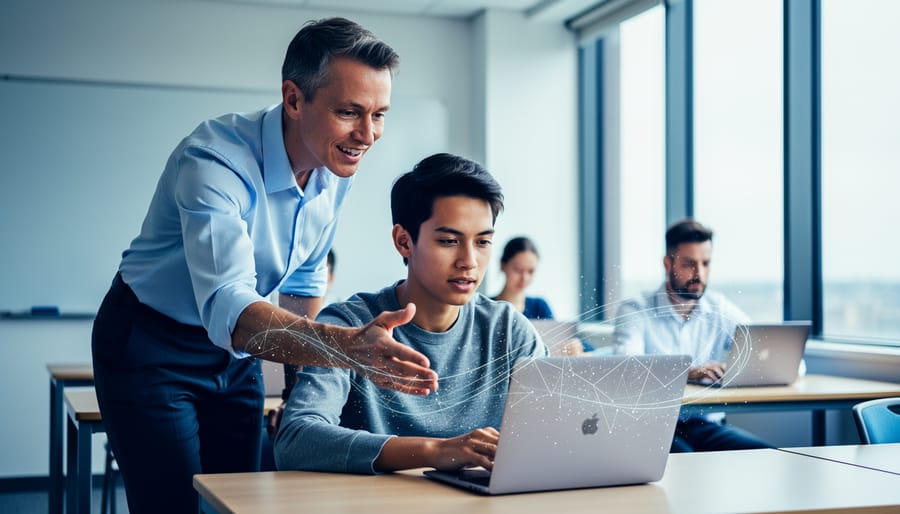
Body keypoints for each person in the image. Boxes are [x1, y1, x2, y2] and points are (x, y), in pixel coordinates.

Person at [91, 18, 438, 514]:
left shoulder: (334, 165)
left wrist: (300, 386)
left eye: (379, 115)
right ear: (294, 99)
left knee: (244, 501)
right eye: (349, 112)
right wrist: (347, 350)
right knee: (173, 505)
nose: (367, 134)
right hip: (152, 345)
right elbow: (230, 307)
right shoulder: (213, 162)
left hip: (237, 356)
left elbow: (302, 280)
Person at [274, 153, 548, 473]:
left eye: (483, 242)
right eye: (449, 241)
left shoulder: (509, 330)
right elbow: (294, 440)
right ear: (404, 242)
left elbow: (557, 432)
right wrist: (433, 451)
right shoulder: (350, 326)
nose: (469, 261)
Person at [613, 218, 773, 452]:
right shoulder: (636, 309)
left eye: (705, 263)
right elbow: (626, 370)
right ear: (668, 264)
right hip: (654, 427)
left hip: (707, 427)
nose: (699, 273)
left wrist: (734, 368)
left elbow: (771, 352)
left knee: (765, 455)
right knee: (686, 460)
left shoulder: (718, 307)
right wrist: (688, 373)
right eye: (689, 264)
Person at [494, 236, 587, 355]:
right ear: (503, 265)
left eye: (530, 271)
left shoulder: (539, 306)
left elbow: (557, 341)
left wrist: (573, 346)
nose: (524, 278)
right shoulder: (485, 307)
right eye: (517, 270)